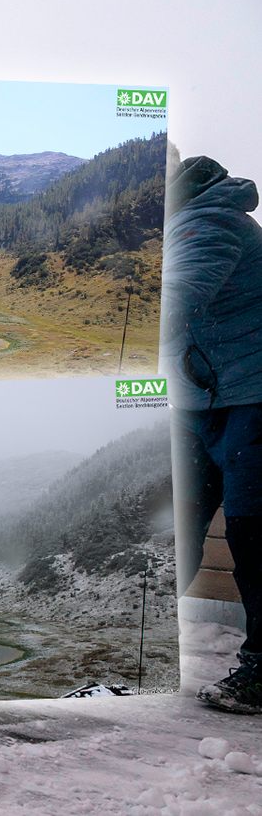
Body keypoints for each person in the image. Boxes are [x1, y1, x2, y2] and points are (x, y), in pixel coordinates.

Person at [162, 155, 262, 714]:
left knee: (253, 536)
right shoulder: (170, 222)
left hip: (252, 399)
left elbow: (176, 297)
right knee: (175, 528)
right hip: (201, 401)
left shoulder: (210, 218)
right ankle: (130, 648)